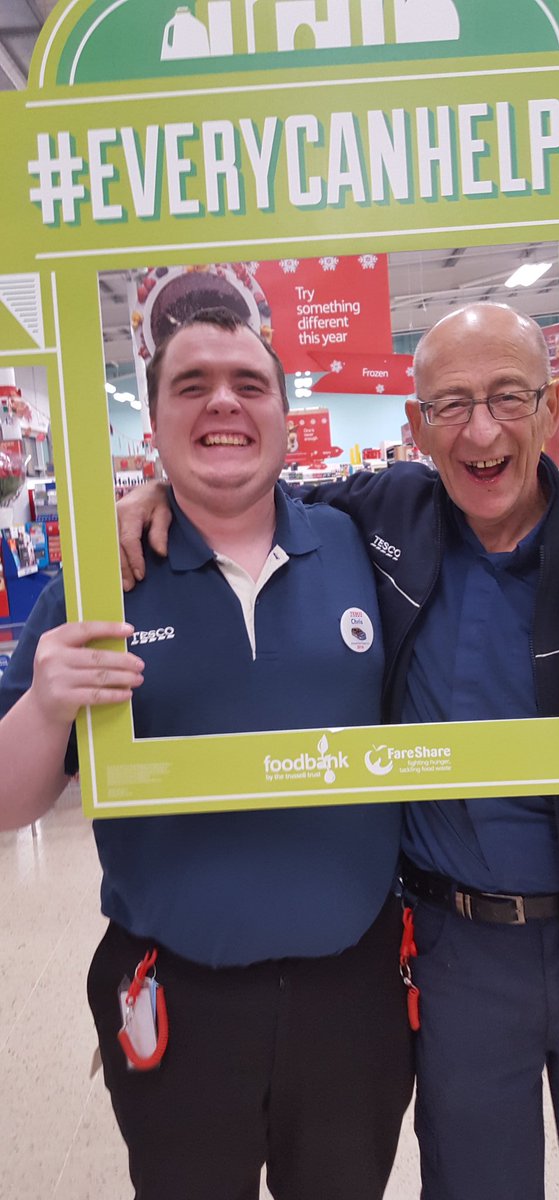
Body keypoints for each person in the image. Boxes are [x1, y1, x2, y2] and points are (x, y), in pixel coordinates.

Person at [119, 302, 559, 1200]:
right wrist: (154, 493)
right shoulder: (384, 520)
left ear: (551, 408)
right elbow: (244, 496)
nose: (481, 429)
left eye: (508, 397)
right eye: (450, 404)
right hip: (455, 949)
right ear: (416, 427)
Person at [0, 310, 414, 1200]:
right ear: (153, 427)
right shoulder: (99, 584)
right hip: (174, 1001)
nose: (222, 401)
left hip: (357, 998)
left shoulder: (359, 549)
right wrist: (43, 704)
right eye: (191, 385)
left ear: (283, 414)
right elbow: (7, 805)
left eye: (247, 383)